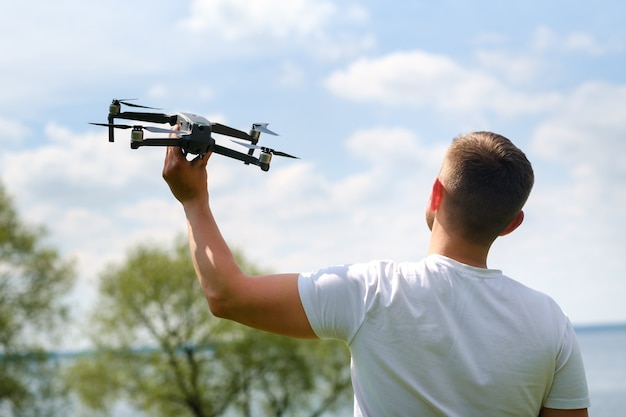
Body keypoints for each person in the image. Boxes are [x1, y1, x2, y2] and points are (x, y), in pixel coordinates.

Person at [162, 130, 590, 417]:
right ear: (513, 222)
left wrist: (193, 202)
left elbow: (227, 296)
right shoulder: (552, 324)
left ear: (435, 193)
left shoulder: (372, 292)